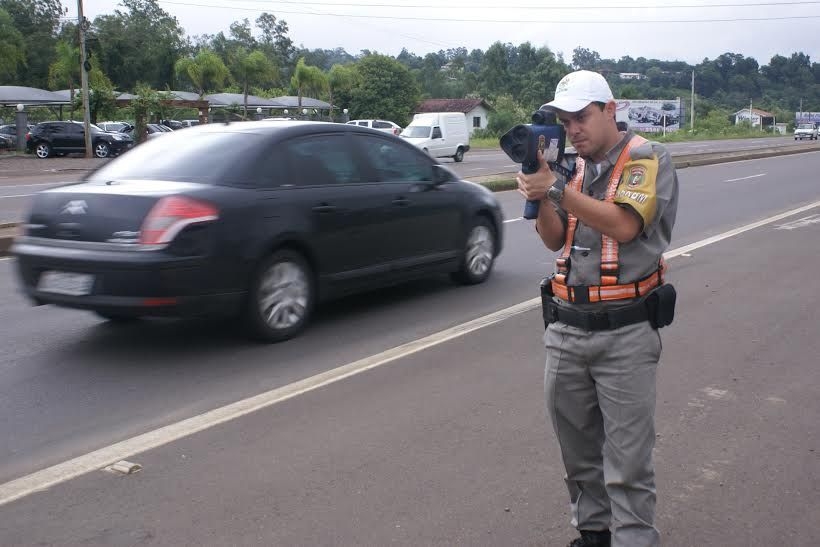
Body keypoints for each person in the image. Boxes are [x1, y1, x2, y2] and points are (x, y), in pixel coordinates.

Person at [516, 70, 679, 547]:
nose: (573, 130)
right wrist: (537, 194)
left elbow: (625, 226)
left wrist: (554, 190)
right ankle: (593, 536)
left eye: (581, 118)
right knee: (578, 453)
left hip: (625, 331)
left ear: (611, 109)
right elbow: (552, 238)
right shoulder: (568, 168)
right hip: (566, 329)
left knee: (627, 462)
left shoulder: (648, 157)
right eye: (565, 122)